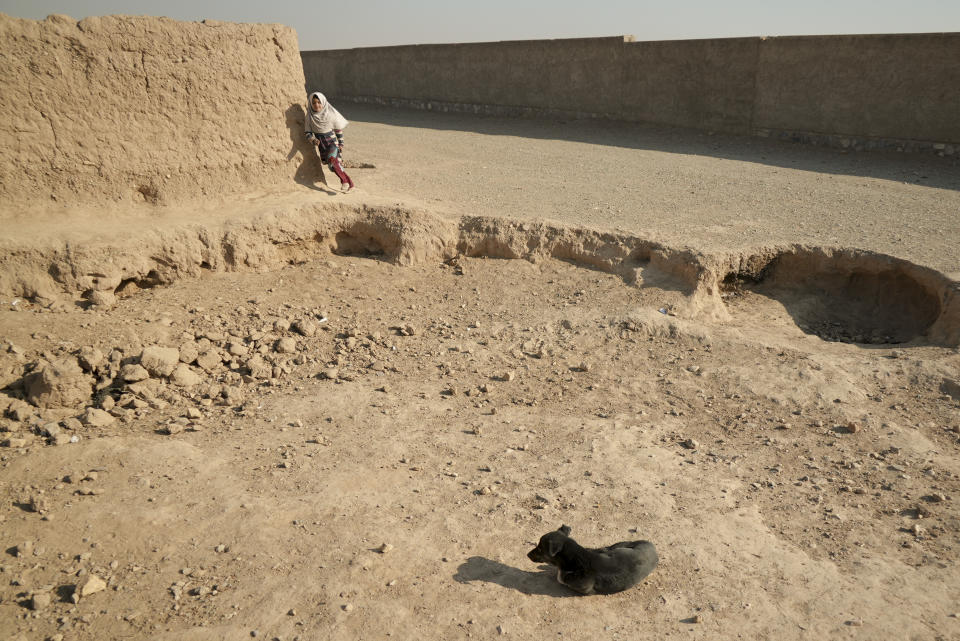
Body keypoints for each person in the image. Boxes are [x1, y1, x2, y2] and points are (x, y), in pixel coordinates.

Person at [304, 92, 354, 191]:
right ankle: (350, 183)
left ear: (323, 102)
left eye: (319, 102)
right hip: (322, 145)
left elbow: (338, 130)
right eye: (314, 103)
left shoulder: (329, 114)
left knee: (332, 159)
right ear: (310, 104)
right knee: (332, 166)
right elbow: (308, 133)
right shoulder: (309, 117)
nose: (317, 105)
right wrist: (313, 140)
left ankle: (344, 182)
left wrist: (341, 143)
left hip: (332, 142)